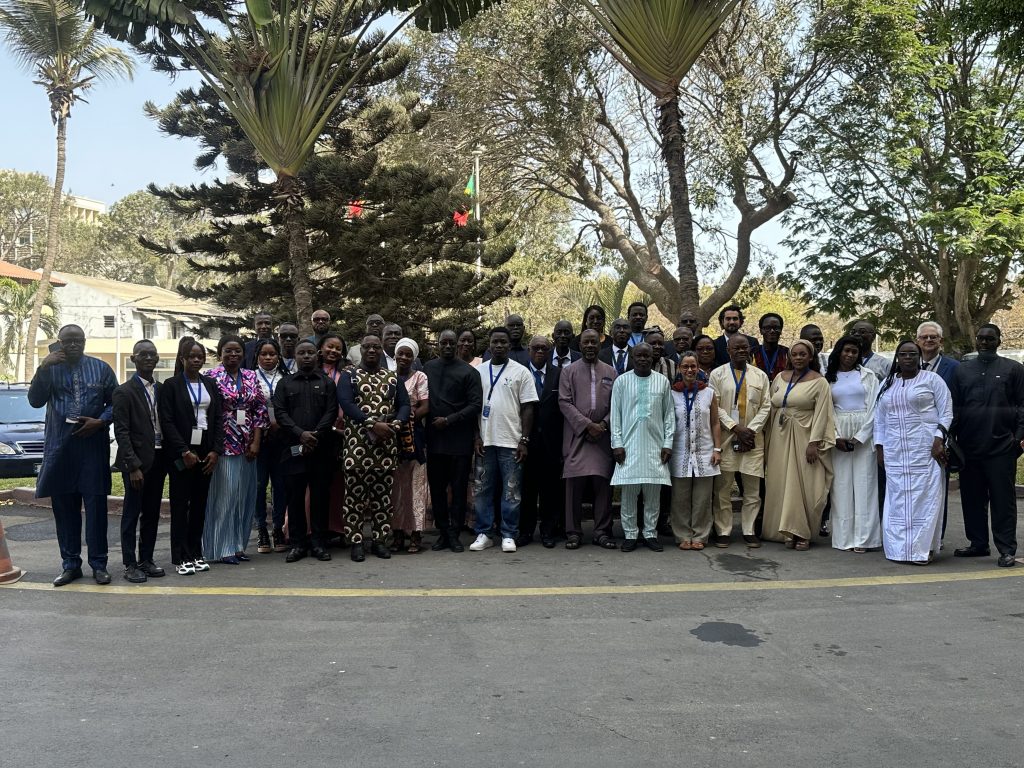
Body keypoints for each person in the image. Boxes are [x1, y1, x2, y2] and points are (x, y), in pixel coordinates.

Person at [29, 324, 118, 587]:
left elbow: (116, 402)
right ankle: (70, 565)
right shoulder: (50, 368)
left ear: (84, 341)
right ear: (59, 342)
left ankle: (99, 565)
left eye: (78, 340)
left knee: (96, 510)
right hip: (61, 450)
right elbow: (35, 400)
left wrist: (100, 421)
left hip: (92, 450)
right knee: (65, 511)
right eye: (67, 341)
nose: (73, 345)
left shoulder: (101, 368)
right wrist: (43, 367)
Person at [950, 324, 1023, 568]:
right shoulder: (962, 370)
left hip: (1002, 446)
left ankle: (1006, 549)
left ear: (998, 341)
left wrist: (1017, 439)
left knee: (1003, 501)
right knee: (972, 498)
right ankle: (978, 543)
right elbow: (954, 407)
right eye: (980, 338)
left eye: (990, 339)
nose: (984, 342)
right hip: (969, 446)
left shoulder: (1014, 369)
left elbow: (1022, 406)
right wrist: (951, 439)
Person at [874, 340, 952, 565]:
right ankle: (898, 549)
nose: (907, 358)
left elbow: (946, 412)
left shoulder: (932, 380)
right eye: (903, 354)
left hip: (925, 450)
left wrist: (939, 439)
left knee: (926, 499)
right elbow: (879, 419)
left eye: (912, 354)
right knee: (897, 500)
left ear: (919, 357)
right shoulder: (888, 383)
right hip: (895, 452)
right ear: (897, 358)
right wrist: (879, 448)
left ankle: (922, 550)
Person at [338, 335, 411, 561]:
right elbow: (346, 404)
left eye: (376, 347)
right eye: (367, 347)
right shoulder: (349, 375)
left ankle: (380, 541)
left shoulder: (392, 377)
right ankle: (356, 542)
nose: (371, 350)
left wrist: (396, 425)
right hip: (357, 447)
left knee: (383, 498)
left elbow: (405, 404)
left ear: (381, 350)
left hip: (385, 447)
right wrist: (372, 424)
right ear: (360, 349)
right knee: (354, 498)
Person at [762, 339, 836, 550]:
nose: (798, 358)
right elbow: (770, 406)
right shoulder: (779, 377)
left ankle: (801, 531)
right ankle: (784, 530)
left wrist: (814, 442)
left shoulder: (819, 382)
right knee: (781, 482)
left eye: (803, 354)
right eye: (794, 354)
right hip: (779, 437)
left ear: (810, 357)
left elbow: (823, 413)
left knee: (804, 483)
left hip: (805, 437)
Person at [470, 326, 538, 553]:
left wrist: (524, 440)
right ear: (489, 345)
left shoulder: (522, 372)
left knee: (511, 492)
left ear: (510, 345)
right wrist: (476, 436)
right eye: (495, 342)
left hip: (511, 441)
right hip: (485, 442)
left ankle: (509, 534)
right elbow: (473, 407)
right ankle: (484, 533)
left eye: (503, 342)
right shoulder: (478, 371)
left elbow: (528, 408)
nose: (499, 345)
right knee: (483, 490)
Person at [159, 338, 223, 575]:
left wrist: (216, 450)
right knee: (180, 504)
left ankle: (196, 552)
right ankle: (181, 556)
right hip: (182, 451)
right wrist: (183, 450)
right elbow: (167, 421)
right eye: (192, 356)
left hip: (206, 449)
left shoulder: (210, 384)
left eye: (200, 357)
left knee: (199, 504)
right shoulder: (171, 385)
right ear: (182, 359)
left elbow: (218, 419)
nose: (197, 360)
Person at [202, 335, 269, 565]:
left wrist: (256, 442)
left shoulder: (250, 376)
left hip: (248, 442)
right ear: (220, 353)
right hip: (223, 444)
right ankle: (222, 548)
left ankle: (239, 545)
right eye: (228, 351)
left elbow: (260, 410)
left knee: (245, 497)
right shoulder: (211, 376)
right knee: (226, 497)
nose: (233, 355)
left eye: (237, 351)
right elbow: (208, 411)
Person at [273, 340, 339, 563]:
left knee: (320, 498)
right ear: (296, 356)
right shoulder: (285, 383)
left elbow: (331, 411)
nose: (306, 356)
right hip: (293, 450)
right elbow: (280, 413)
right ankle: (297, 543)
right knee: (295, 498)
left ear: (317, 355)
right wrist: (300, 434)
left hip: (321, 449)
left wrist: (316, 435)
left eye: (310, 352)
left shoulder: (327, 383)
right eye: (302, 353)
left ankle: (319, 542)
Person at [112, 340, 168, 583]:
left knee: (152, 513)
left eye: (152, 354)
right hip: (136, 463)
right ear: (133, 359)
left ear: (157, 358)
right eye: (142, 354)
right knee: (131, 514)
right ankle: (129, 564)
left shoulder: (162, 389)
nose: (148, 358)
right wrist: (133, 466)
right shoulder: (124, 391)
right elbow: (121, 431)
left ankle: (147, 559)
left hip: (159, 459)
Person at [708, 335, 772, 548]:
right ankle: (723, 530)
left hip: (753, 440)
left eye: (745, 347)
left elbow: (766, 406)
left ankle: (749, 529)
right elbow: (715, 406)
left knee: (752, 489)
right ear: (728, 350)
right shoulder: (717, 374)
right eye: (737, 348)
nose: (741, 351)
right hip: (726, 437)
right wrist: (736, 428)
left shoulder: (760, 376)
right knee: (723, 488)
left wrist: (750, 431)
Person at [610, 342, 674, 552]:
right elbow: (615, 415)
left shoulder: (662, 381)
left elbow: (669, 415)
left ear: (653, 357)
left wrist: (668, 444)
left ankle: (649, 533)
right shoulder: (621, 381)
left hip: (656, 448)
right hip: (629, 448)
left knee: (653, 496)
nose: (643, 359)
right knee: (629, 495)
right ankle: (630, 534)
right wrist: (617, 444)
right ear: (632, 357)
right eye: (639, 355)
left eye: (647, 356)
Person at [559, 329, 618, 550]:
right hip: (577, 436)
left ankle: (601, 532)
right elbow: (564, 402)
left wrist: (603, 425)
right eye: (586, 342)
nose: (590, 346)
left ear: (600, 345)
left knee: (603, 485)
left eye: (594, 342)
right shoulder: (569, 371)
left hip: (602, 437)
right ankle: (573, 532)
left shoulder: (611, 372)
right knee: (574, 485)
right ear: (580, 345)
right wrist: (587, 425)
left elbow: (617, 404)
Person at [424, 330, 482, 552]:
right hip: (435, 440)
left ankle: (455, 533)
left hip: (460, 441)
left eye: (451, 343)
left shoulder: (469, 372)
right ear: (438, 345)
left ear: (457, 345)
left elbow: (475, 404)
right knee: (437, 489)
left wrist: (449, 420)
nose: (447, 346)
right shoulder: (428, 368)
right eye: (443, 343)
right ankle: (443, 532)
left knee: (458, 490)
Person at [825, 335, 880, 553]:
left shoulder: (868, 376)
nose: (849, 355)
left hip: (864, 431)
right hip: (839, 431)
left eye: (854, 352)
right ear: (839, 351)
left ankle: (864, 539)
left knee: (865, 485)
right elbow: (826, 410)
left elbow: (875, 407)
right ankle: (844, 539)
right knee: (841, 487)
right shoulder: (828, 378)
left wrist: (861, 436)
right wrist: (836, 436)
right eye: (846, 350)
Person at [670, 351, 721, 550]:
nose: (689, 370)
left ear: (698, 368)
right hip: (680, 453)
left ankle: (700, 535)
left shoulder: (709, 393)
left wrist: (717, 449)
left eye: (693, 366)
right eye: (685, 366)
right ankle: (682, 535)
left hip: (704, 452)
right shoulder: (672, 393)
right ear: (679, 369)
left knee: (702, 499)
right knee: (679, 498)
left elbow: (715, 422)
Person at [519, 335, 564, 547]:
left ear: (549, 351)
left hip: (551, 442)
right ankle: (526, 531)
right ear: (529, 349)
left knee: (550, 490)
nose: (539, 351)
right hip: (525, 441)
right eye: (535, 348)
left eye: (544, 348)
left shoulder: (559, 374)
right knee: (527, 489)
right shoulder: (520, 372)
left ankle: (548, 531)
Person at [391, 337, 430, 554]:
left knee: (416, 485)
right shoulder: (388, 376)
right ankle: (397, 534)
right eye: (401, 353)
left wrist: (406, 417)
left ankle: (415, 534)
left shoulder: (420, 377)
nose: (404, 357)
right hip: (391, 436)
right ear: (395, 355)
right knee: (395, 487)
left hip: (414, 436)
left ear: (414, 357)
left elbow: (425, 406)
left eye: (408, 354)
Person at [253, 338, 290, 554]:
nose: (268, 358)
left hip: (282, 439)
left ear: (278, 356)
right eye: (264, 354)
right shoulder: (250, 377)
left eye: (272, 354)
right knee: (259, 486)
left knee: (280, 485)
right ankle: (261, 529)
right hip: (259, 440)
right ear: (257, 356)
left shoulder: (286, 377)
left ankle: (278, 528)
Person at [916, 321, 959, 387]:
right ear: (917, 341)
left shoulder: (955, 367)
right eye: (924, 337)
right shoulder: (908, 366)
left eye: (933, 337)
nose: (928, 340)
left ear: (941, 341)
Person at [753, 313, 789, 381]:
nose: (772, 331)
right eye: (767, 328)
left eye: (776, 328)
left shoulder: (788, 353)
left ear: (781, 331)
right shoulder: (752, 353)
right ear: (761, 331)